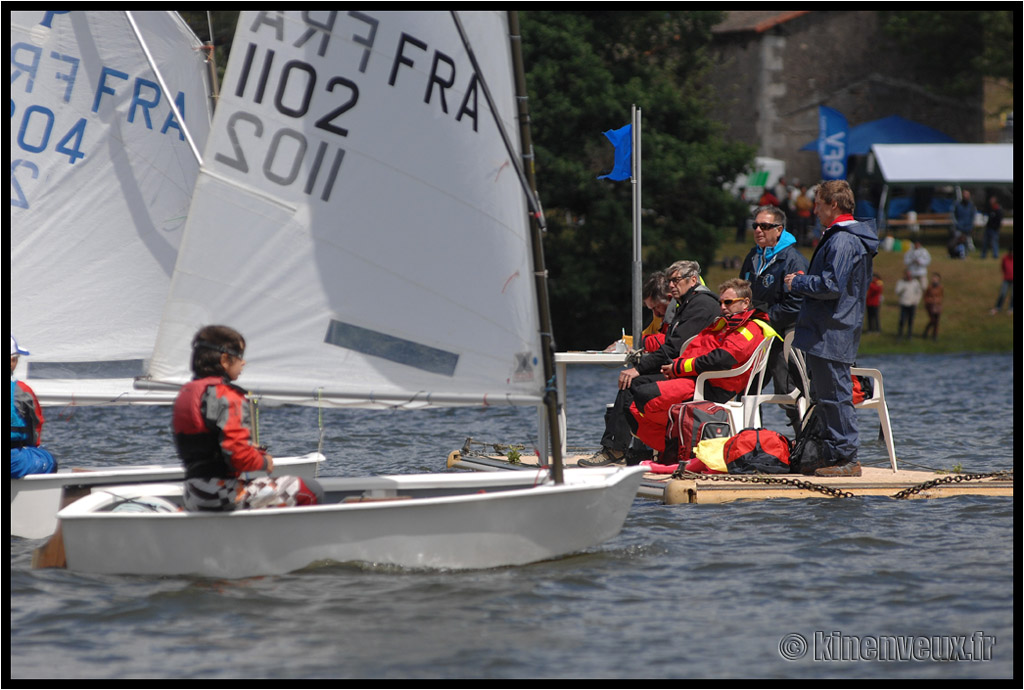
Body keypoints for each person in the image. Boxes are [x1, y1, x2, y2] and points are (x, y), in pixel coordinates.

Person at [580, 261, 719, 466]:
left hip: (696, 376)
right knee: (633, 384)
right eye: (670, 280)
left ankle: (617, 450)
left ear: (692, 280)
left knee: (632, 385)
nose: (671, 285)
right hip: (683, 370)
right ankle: (634, 449)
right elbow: (670, 346)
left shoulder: (701, 305)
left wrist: (638, 369)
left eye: (676, 280)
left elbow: (672, 348)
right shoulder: (688, 303)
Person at [173, 325, 323, 511]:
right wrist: (264, 461)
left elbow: (206, 444)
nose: (243, 363)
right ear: (225, 360)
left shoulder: (187, 393)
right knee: (310, 489)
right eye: (240, 356)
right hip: (220, 494)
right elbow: (239, 457)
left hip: (193, 492)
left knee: (261, 490)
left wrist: (247, 449)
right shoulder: (226, 396)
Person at [785, 179, 878, 477]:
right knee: (827, 395)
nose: (814, 210)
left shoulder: (843, 239)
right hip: (829, 328)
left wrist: (796, 282)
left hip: (833, 329)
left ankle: (847, 458)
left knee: (836, 395)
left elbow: (832, 284)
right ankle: (836, 455)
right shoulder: (842, 237)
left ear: (833, 205)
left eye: (818, 204)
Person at [625, 279, 776, 454]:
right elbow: (698, 349)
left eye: (728, 302)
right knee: (635, 391)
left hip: (713, 385)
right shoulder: (726, 323)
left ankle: (674, 445)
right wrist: (675, 368)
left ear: (745, 303)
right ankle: (674, 444)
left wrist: (678, 368)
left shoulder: (749, 328)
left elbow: (722, 359)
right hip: (696, 378)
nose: (723, 307)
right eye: (721, 302)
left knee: (643, 398)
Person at [739, 205, 809, 429]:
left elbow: (797, 303)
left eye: (765, 226)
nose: (758, 230)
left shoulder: (792, 260)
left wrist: (765, 318)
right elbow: (742, 291)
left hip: (784, 333)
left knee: (787, 390)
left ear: (779, 230)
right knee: (747, 388)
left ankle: (805, 441)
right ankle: (750, 439)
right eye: (755, 225)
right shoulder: (753, 256)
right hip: (757, 334)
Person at [10, 336, 58, 478]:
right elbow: (36, 424)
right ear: (12, 360)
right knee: (48, 461)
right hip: (12, 458)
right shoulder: (22, 390)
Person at [895, 269, 923, 340]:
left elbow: (919, 293)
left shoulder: (915, 283)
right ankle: (900, 335)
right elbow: (897, 291)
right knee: (902, 320)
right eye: (907, 274)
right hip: (904, 303)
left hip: (912, 304)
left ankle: (909, 335)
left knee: (911, 320)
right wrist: (903, 289)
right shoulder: (901, 282)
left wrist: (916, 301)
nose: (908, 276)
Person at [990, 248, 1014, 315]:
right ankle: (998, 307)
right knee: (1003, 293)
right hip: (1006, 279)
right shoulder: (1005, 258)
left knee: (1012, 294)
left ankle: (1011, 308)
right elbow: (1003, 267)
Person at [922, 273, 944, 340]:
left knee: (936, 321)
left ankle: (935, 335)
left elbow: (941, 295)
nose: (934, 279)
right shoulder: (929, 287)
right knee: (932, 320)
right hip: (930, 305)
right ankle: (926, 331)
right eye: (933, 278)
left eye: (936, 278)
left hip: (937, 305)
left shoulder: (940, 287)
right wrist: (929, 300)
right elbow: (925, 296)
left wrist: (938, 301)